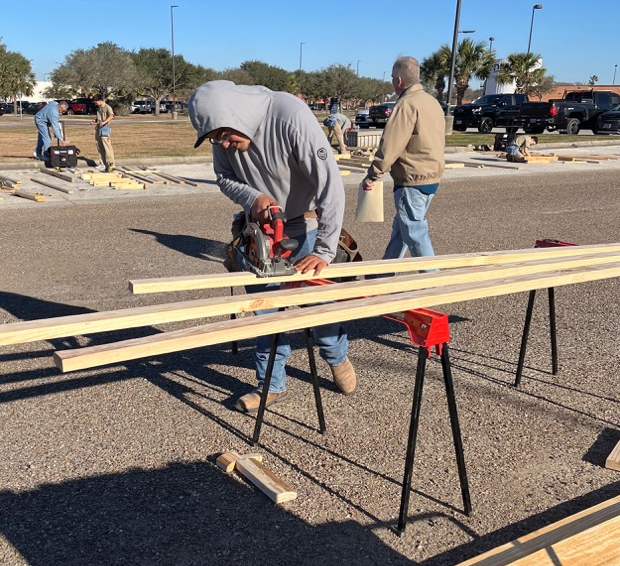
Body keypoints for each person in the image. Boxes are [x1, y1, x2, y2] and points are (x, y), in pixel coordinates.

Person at [188, 79, 356, 412]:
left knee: (317, 305)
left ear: (234, 116)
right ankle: (270, 385)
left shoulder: (289, 114)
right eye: (216, 140)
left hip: (305, 224)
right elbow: (224, 178)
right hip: (261, 229)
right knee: (264, 312)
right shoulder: (220, 130)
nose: (225, 145)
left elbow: (330, 185)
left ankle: (336, 356)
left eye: (225, 137)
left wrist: (324, 249)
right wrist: (253, 197)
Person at [362, 56, 445, 260]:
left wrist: (373, 175)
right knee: (402, 230)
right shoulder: (432, 102)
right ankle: (383, 276)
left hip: (412, 178)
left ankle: (432, 282)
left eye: (392, 77)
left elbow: (391, 145)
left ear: (399, 81)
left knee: (415, 232)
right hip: (431, 175)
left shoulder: (406, 105)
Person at [91, 93, 116, 172]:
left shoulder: (107, 107)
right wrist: (94, 121)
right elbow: (99, 118)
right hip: (98, 127)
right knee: (99, 146)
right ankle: (102, 163)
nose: (95, 103)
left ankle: (111, 164)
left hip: (105, 128)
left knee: (107, 146)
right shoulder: (99, 108)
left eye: (96, 102)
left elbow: (111, 116)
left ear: (100, 100)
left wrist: (104, 122)